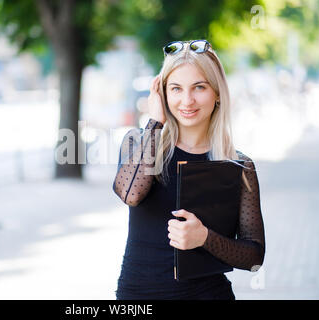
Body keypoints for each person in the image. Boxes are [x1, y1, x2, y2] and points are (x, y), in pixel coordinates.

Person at [112, 40, 265, 300]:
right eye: (176, 89)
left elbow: (253, 258)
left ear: (217, 93)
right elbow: (131, 194)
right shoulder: (139, 142)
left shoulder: (238, 166)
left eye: (199, 87)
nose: (187, 100)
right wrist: (154, 122)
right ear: (163, 94)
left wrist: (204, 237)